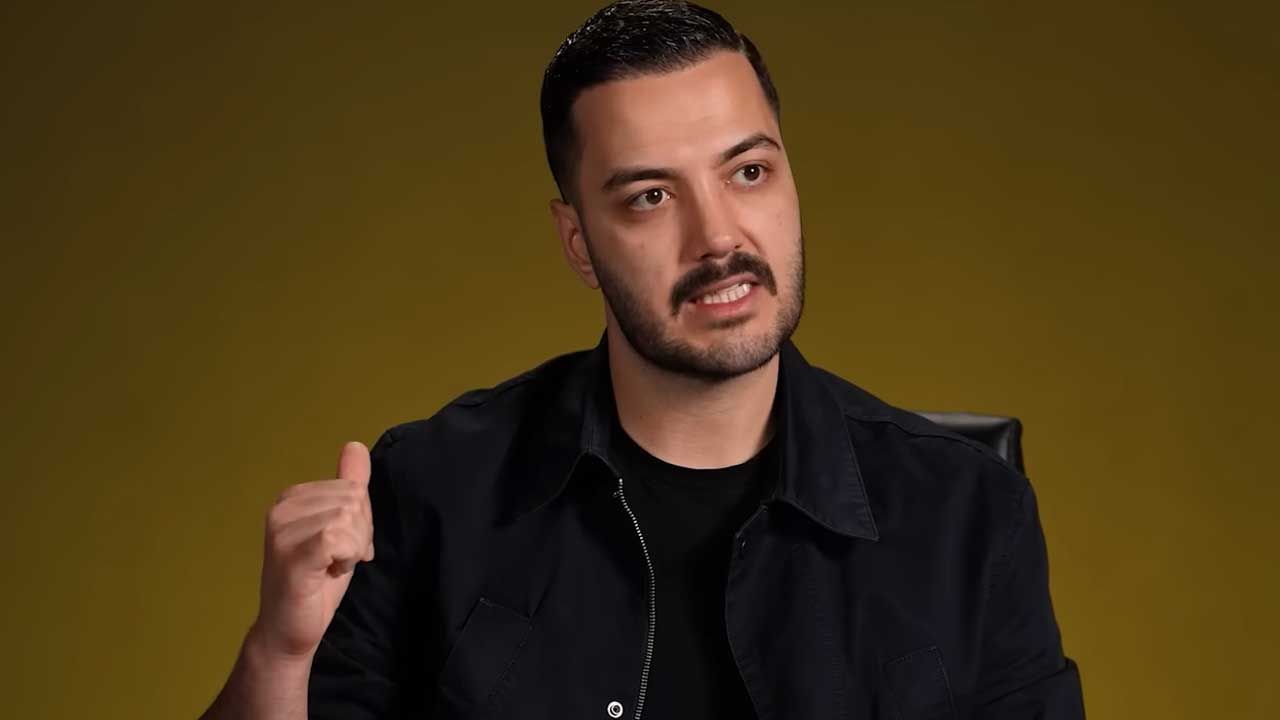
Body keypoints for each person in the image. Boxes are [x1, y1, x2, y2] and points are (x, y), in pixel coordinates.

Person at [201, 1, 1085, 718]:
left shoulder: (969, 515)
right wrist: (278, 653)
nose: (718, 239)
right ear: (578, 243)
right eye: (652, 196)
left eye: (748, 173)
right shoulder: (429, 490)